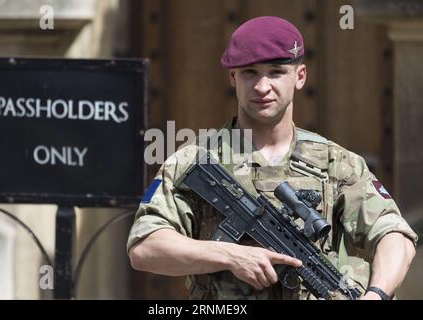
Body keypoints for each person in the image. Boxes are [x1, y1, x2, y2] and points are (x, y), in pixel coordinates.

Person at [127, 16, 417, 300]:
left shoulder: (337, 163)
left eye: (276, 72)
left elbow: (396, 237)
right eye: (249, 72)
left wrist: (376, 294)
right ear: (233, 78)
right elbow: (145, 247)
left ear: (300, 77)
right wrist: (230, 255)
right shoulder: (195, 161)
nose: (262, 87)